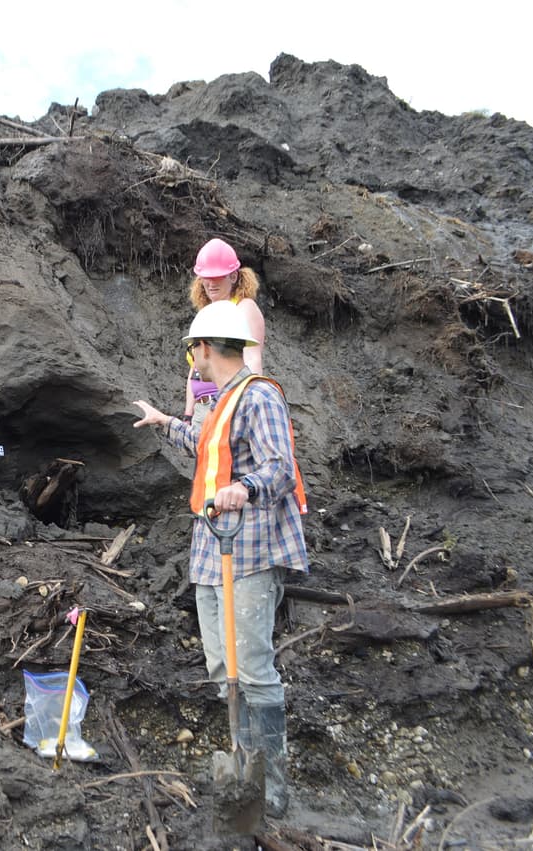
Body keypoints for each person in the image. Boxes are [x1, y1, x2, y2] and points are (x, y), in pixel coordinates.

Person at [132, 300, 308, 819]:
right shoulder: (223, 400)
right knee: (222, 666)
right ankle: (243, 762)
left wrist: (244, 489)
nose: (193, 360)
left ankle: (270, 783)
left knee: (251, 668)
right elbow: (209, 447)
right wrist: (166, 422)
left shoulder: (260, 396)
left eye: (193, 351)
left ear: (205, 348)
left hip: (249, 550)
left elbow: (280, 467)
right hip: (212, 550)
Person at [183, 239, 266, 426]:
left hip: (228, 403)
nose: (211, 283)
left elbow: (253, 359)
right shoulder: (206, 314)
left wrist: (243, 405)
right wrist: (188, 414)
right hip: (201, 410)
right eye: (206, 277)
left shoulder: (244, 308)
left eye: (218, 277)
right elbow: (194, 368)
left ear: (233, 276)